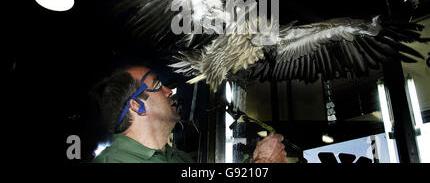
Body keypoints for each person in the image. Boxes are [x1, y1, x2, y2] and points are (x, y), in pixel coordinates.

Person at [91, 65, 288, 163]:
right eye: (158, 85)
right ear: (136, 105)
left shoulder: (179, 157)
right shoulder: (114, 161)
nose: (169, 91)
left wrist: (256, 160)